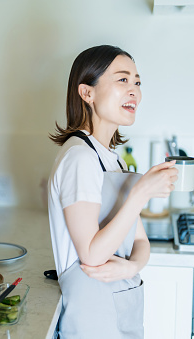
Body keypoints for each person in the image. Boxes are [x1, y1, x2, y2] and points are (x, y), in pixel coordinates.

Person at [47, 45, 178, 338]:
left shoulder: (113, 158)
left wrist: (130, 269)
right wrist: (141, 193)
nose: (134, 91)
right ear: (87, 93)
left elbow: (141, 242)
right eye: (122, 80)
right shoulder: (79, 157)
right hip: (92, 318)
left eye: (137, 82)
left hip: (119, 307)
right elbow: (92, 255)